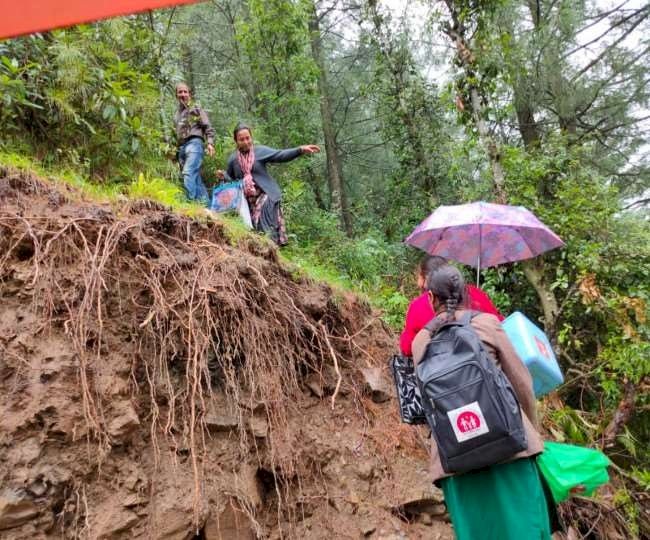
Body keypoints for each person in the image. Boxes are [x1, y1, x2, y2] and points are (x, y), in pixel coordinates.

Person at [411, 264, 550, 540]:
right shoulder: (487, 323)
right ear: (465, 293)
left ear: (430, 298)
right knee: (526, 529)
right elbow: (521, 383)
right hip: (509, 448)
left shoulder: (420, 341)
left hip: (455, 460)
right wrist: (529, 431)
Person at [218, 124, 320, 246]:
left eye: (248, 138)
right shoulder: (233, 159)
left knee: (263, 223)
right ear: (236, 141)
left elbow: (280, 155)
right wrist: (224, 176)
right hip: (248, 201)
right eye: (242, 139)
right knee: (254, 229)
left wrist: (300, 150)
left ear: (251, 137)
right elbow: (232, 183)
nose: (246, 142)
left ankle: (271, 249)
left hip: (266, 194)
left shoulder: (259, 151)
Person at [400, 255, 504, 356]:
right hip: (483, 363)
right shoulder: (475, 293)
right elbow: (500, 324)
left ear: (424, 278)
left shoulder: (417, 306)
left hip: (440, 369)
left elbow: (407, 348)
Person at [173, 82, 215, 203]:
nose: (183, 94)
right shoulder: (176, 115)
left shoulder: (196, 108)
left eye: (185, 92)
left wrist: (210, 143)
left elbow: (208, 126)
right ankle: (207, 208)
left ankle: (189, 204)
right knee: (196, 179)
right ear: (176, 95)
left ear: (189, 94)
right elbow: (175, 134)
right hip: (181, 148)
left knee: (188, 172)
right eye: (180, 92)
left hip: (194, 143)